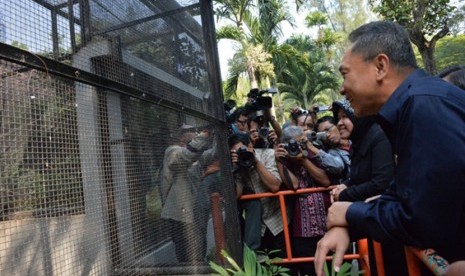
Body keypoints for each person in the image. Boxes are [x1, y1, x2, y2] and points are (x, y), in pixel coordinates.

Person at [314, 20, 465, 276]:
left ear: (380, 66)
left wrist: (351, 214)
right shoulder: (413, 105)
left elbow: (424, 219)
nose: (342, 88)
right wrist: (348, 221)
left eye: (345, 74)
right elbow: (404, 193)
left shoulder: (423, 107)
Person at [275, 126, 331, 276]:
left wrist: (304, 160)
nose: (297, 147)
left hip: (328, 224)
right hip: (303, 230)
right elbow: (294, 185)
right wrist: (279, 161)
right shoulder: (285, 161)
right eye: (292, 144)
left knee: (335, 269)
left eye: (300, 143)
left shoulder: (315, 153)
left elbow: (325, 181)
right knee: (309, 270)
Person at [230, 120, 288, 258]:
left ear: (250, 145)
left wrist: (254, 161)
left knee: (284, 263)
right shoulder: (236, 166)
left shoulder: (267, 154)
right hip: (258, 226)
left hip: (278, 220)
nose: (241, 154)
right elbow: (236, 195)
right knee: (263, 265)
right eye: (236, 152)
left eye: (242, 150)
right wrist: (236, 169)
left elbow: (274, 186)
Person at [160, 124, 216, 263]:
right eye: (192, 131)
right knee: (186, 258)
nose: (196, 133)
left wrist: (220, 137)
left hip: (195, 214)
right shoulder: (172, 151)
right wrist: (205, 135)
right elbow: (186, 155)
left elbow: (210, 154)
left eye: (196, 130)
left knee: (199, 254)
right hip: (179, 216)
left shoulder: (195, 155)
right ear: (181, 136)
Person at [306, 115, 350, 184]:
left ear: (337, 125)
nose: (327, 135)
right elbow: (337, 166)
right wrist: (310, 146)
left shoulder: (356, 140)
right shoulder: (332, 153)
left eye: (328, 129)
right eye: (322, 135)